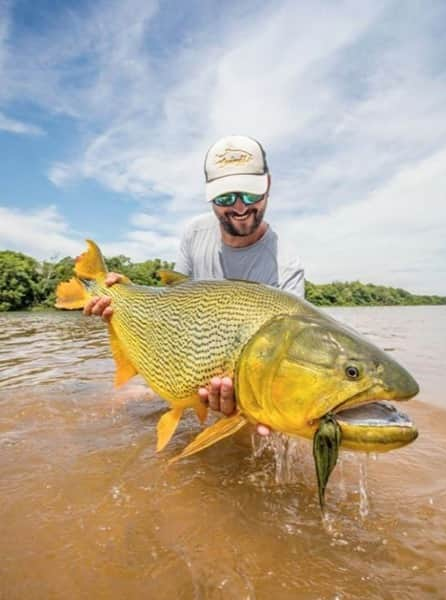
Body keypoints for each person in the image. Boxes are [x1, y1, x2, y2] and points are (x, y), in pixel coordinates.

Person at [85, 135, 305, 432]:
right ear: (210, 196)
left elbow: (288, 361)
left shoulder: (286, 264)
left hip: (248, 378)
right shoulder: (194, 232)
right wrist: (125, 294)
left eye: (250, 195)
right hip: (193, 367)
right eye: (226, 198)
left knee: (264, 430)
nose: (240, 207)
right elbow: (174, 305)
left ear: (267, 185)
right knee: (118, 402)